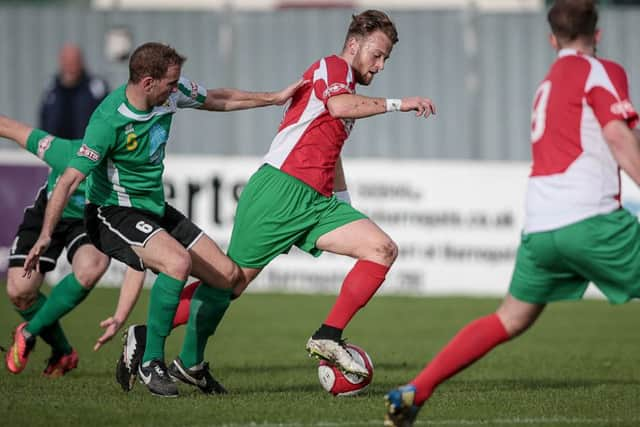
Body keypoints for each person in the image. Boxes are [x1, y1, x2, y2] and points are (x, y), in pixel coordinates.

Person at [116, 9, 436, 389]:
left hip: (316, 202)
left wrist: (345, 203)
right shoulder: (333, 67)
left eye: (385, 58)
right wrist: (402, 103)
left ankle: (328, 335)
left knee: (382, 249)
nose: (380, 65)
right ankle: (160, 344)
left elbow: (331, 149)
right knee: (226, 283)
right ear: (353, 44)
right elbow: (338, 107)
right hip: (279, 193)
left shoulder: (348, 88)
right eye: (377, 54)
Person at [383, 1, 640, 425]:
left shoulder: (547, 83)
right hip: (589, 221)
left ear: (551, 39)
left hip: (541, 228)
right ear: (598, 34)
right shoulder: (602, 71)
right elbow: (617, 136)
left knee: (508, 318)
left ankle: (415, 390)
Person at [20, 41, 303, 397]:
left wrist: (274, 98)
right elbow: (68, 181)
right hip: (112, 213)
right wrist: (46, 234)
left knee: (228, 277)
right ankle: (152, 361)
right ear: (148, 81)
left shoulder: (170, 93)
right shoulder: (108, 121)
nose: (177, 88)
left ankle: (183, 360)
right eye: (171, 83)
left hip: (153, 207)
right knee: (176, 262)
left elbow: (217, 98)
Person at [1, 115, 146, 377]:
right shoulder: (61, 150)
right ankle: (63, 352)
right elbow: (10, 127)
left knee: (93, 266)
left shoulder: (126, 170)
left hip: (89, 221)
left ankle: (30, 333)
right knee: (20, 290)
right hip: (49, 214)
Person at [39, 43, 109, 140]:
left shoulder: (96, 88)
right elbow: (44, 118)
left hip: (86, 148)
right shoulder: (51, 87)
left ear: (81, 62)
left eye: (73, 62)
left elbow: (107, 119)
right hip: (56, 148)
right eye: (66, 62)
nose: (70, 67)